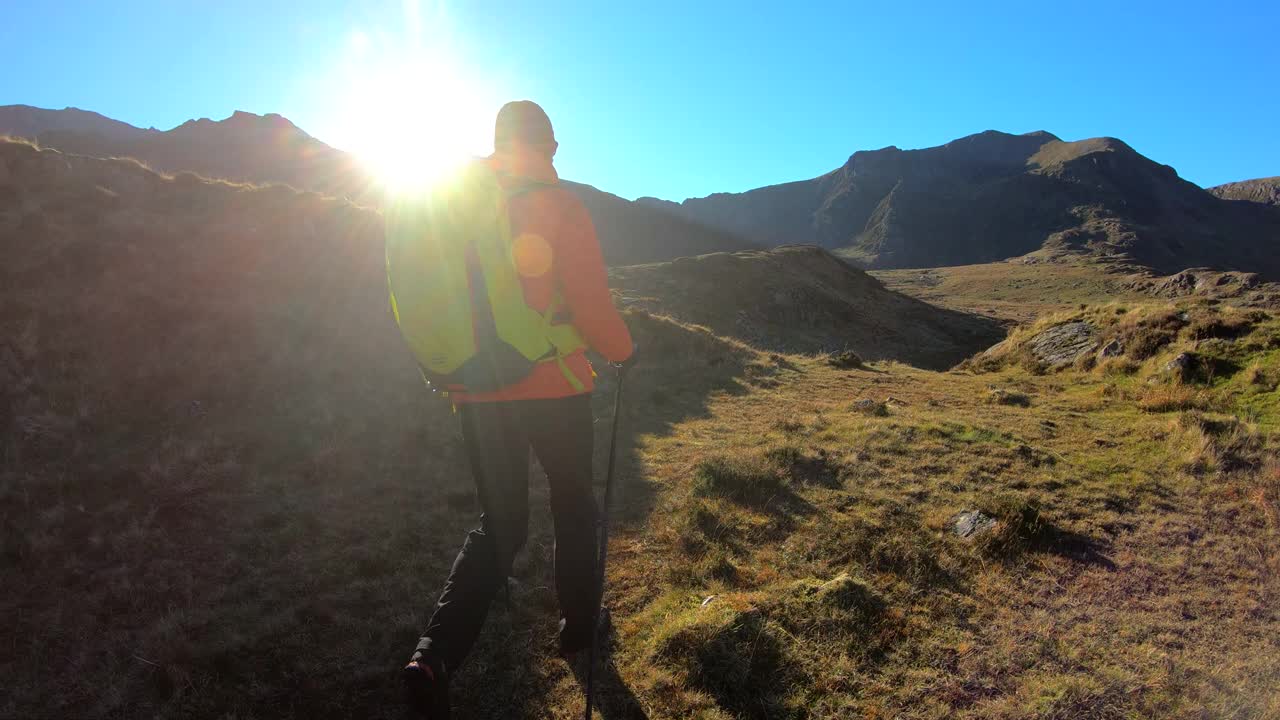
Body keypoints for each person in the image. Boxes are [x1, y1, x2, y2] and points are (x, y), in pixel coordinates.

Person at [402, 100, 635, 719]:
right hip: (556, 389)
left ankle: (432, 656)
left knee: (500, 525)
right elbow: (589, 305)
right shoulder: (560, 206)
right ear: (550, 146)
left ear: (498, 141)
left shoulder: (455, 204)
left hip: (477, 393)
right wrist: (624, 350)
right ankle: (581, 627)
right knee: (572, 503)